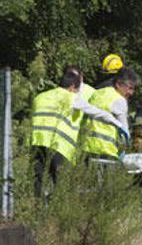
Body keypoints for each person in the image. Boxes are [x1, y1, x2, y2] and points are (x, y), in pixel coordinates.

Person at [30, 67, 127, 197]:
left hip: (37, 143)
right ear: (72, 87)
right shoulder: (71, 97)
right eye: (76, 90)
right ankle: (54, 212)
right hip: (58, 145)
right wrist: (119, 125)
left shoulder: (40, 97)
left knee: (37, 180)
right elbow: (96, 112)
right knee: (60, 184)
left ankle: (36, 207)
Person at [81, 68, 139, 162]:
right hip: (106, 151)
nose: (131, 93)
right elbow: (124, 132)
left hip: (86, 147)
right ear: (118, 84)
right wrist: (124, 150)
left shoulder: (97, 93)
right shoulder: (119, 100)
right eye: (130, 88)